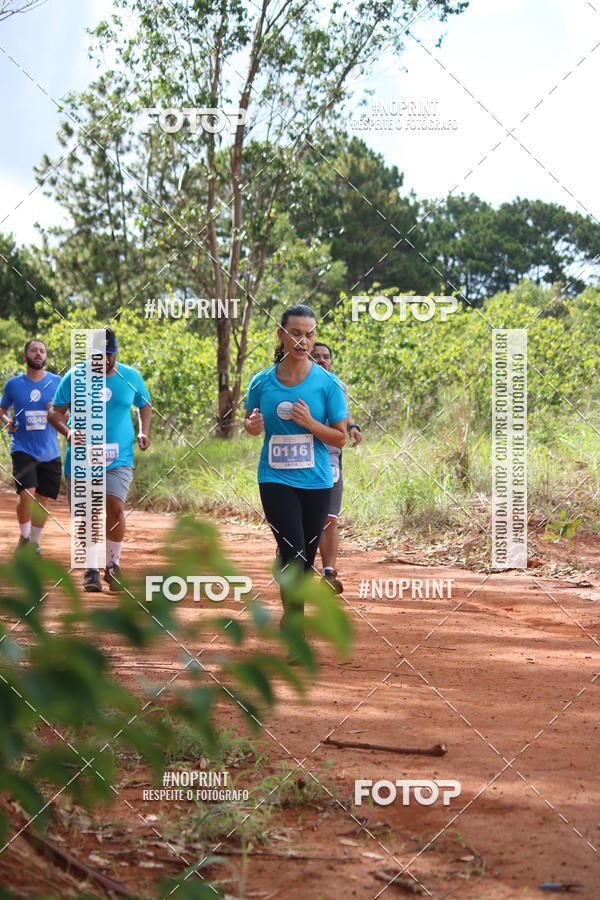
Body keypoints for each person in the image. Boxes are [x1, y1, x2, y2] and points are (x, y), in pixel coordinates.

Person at [244, 305, 347, 636]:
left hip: (317, 481)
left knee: (301, 561)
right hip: (274, 477)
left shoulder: (328, 385)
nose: (303, 341)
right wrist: (252, 424)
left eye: (310, 334)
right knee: (296, 552)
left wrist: (311, 423)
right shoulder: (261, 382)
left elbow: (340, 437)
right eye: (296, 333)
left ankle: (290, 608)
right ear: (281, 334)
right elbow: (250, 422)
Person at [48, 329, 152, 593]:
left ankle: (113, 565)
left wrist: (143, 431)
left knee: (115, 507)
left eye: (109, 355)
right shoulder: (74, 377)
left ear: (115, 353)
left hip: (119, 458)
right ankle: (91, 568)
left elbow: (145, 404)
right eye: (98, 356)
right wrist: (69, 431)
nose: (104, 361)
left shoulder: (130, 377)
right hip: (82, 458)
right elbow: (55, 412)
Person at [0, 339, 62, 554]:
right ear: (25, 356)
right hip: (22, 448)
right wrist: (8, 422)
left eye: (42, 351)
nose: (38, 354)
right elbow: (2, 409)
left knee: (42, 499)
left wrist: (55, 411)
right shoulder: (13, 384)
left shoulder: (57, 382)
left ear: (46, 356)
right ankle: (24, 538)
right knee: (26, 493)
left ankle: (34, 543)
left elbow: (68, 414)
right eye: (33, 350)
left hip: (50, 451)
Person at [311, 342, 362, 594]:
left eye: (326, 357)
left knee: (329, 519)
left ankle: (329, 574)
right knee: (307, 519)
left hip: (331, 460)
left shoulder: (338, 386)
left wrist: (353, 427)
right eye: (316, 356)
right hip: (301, 461)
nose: (321, 360)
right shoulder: (297, 383)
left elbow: (344, 414)